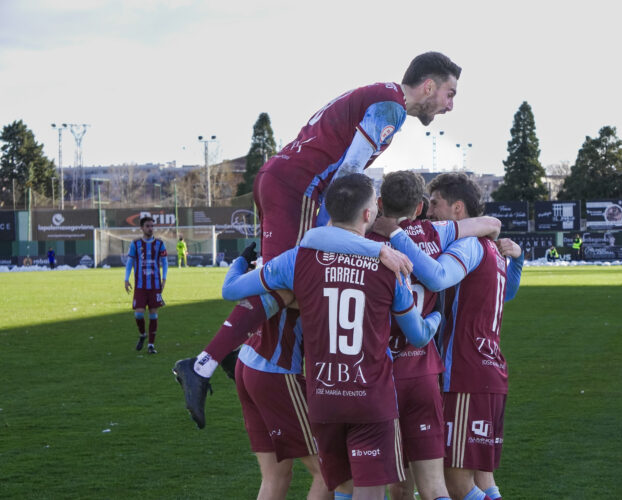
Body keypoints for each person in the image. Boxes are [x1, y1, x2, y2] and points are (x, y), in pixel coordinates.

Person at [173, 52, 460, 426]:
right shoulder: (391, 109)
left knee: (288, 279)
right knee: (293, 279)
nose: (450, 106)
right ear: (428, 86)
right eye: (449, 94)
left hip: (281, 179)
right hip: (300, 189)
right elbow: (347, 173)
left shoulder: (378, 94)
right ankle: (204, 363)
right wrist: (349, 235)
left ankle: (229, 351)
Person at [222, 174, 445, 500]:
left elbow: (232, 289)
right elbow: (418, 335)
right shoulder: (388, 266)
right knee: (368, 493)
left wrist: (240, 261)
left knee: (342, 488)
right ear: (369, 215)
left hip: (324, 394)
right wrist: (437, 317)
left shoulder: (297, 259)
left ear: (327, 211)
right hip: (370, 396)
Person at [367, 173, 523, 500]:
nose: (430, 212)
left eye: (436, 204)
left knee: (454, 483)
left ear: (457, 208)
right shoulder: (480, 245)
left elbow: (437, 278)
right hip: (476, 368)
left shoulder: (466, 244)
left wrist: (395, 232)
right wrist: (517, 260)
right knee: (480, 478)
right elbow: (505, 292)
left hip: (461, 371)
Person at [125, 216, 167, 353]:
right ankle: (143, 334)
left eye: (151, 226)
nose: (150, 228)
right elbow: (130, 263)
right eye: (147, 226)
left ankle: (151, 345)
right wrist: (126, 279)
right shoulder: (135, 244)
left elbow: (165, 263)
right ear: (142, 228)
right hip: (140, 285)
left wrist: (164, 279)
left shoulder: (160, 244)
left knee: (153, 313)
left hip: (155, 285)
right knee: (138, 314)